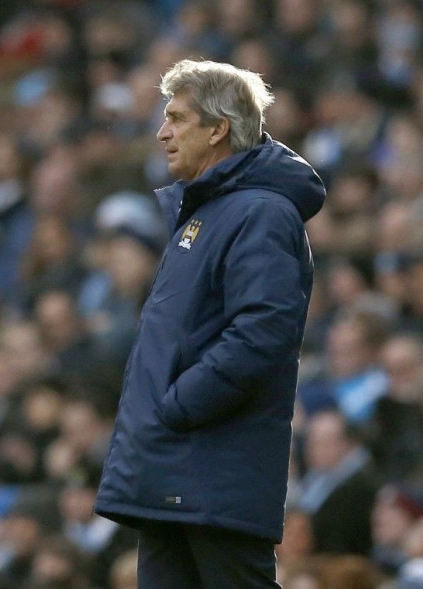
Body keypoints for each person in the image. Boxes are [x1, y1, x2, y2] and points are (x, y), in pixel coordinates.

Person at [94, 59, 326, 587]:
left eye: (176, 118)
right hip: (174, 468)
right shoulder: (205, 211)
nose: (162, 132)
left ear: (218, 128)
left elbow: (261, 332)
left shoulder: (260, 212)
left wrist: (178, 406)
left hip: (211, 469)